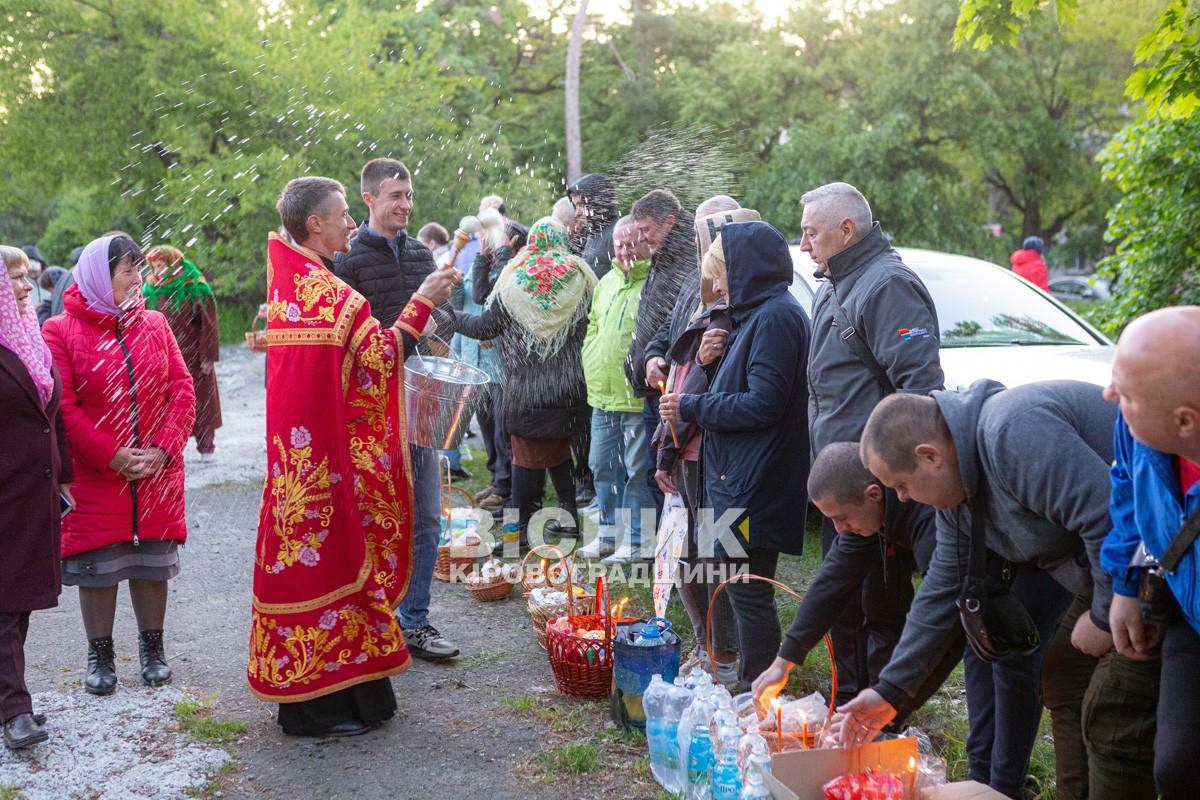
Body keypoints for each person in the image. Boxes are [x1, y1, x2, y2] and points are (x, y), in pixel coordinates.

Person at [843, 380, 1155, 799]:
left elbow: (1112, 519)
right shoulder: (957, 493)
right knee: (1063, 675)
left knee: (1112, 712)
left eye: (902, 485)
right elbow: (941, 587)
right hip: (1109, 565)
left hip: (1151, 558)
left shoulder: (1013, 433)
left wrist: (1103, 615)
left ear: (930, 455)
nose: (902, 498)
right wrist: (890, 691)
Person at [251, 176, 457, 737]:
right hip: (327, 467)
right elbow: (383, 357)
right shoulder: (332, 294)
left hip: (296, 467)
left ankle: (329, 696)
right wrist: (424, 302)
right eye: (342, 214)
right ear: (314, 224)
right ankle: (319, 710)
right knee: (336, 565)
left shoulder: (293, 286)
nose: (350, 223)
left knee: (311, 570)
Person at [801, 181, 944, 706]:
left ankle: (884, 715)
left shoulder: (887, 285)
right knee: (844, 602)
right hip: (842, 478)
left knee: (879, 604)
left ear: (847, 228)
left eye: (810, 233)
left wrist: (891, 478)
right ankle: (849, 701)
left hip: (878, 485)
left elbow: (920, 388)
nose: (803, 246)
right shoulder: (831, 286)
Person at [42, 235, 196, 697]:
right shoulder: (60, 331)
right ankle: (100, 655)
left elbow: (182, 390)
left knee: (151, 561)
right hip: (96, 474)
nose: (137, 280)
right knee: (98, 564)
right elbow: (64, 409)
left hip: (154, 471)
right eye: (126, 271)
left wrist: (163, 449)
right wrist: (111, 455)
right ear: (97, 278)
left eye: (137, 270)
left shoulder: (154, 323)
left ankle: (154, 651)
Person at [659, 221, 810, 692]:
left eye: (721, 274)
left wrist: (691, 405)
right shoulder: (756, 315)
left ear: (747, 270)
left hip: (756, 481)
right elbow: (742, 383)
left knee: (749, 593)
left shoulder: (777, 318)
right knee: (739, 586)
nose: (718, 287)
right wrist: (707, 365)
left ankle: (756, 690)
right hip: (738, 477)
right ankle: (750, 684)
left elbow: (764, 403)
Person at [334, 158, 460, 662]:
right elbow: (352, 344)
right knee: (375, 520)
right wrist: (413, 320)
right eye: (395, 197)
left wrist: (440, 331)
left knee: (428, 518)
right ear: (368, 198)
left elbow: (439, 320)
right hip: (371, 413)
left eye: (409, 196)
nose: (405, 206)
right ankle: (374, 622)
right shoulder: (347, 263)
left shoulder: (419, 257)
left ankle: (416, 622)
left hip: (419, 402)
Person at [752, 443, 956, 722]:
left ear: (872, 494)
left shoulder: (928, 516)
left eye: (842, 518)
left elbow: (943, 615)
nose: (838, 530)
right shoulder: (876, 510)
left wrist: (892, 697)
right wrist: (784, 660)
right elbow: (831, 582)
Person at [649, 196, 758, 681]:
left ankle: (728, 655)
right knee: (689, 551)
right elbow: (673, 345)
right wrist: (654, 356)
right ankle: (707, 643)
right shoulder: (697, 287)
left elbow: (701, 381)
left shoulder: (741, 302)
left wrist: (668, 447)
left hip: (711, 447)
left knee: (720, 555)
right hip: (685, 439)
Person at [1100, 307, 1200, 799]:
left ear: (1185, 420)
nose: (1109, 396)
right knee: (1177, 767)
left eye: (1126, 392)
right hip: (1189, 614)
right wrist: (1124, 583)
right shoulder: (1136, 423)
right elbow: (1125, 488)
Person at [454, 217, 596, 555]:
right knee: (558, 451)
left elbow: (486, 326)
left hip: (528, 388)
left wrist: (448, 313)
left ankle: (518, 536)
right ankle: (569, 520)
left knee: (525, 460)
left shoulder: (518, 278)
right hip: (570, 384)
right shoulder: (581, 275)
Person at [0, 245, 72, 750]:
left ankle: (9, 701)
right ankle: (15, 710)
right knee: (4, 605)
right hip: (3, 491)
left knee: (19, 601)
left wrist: (63, 476)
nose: (29, 287)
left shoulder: (28, 337)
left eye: (28, 277)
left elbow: (53, 411)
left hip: (33, 490)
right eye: (17, 279)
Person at [577, 216, 653, 566]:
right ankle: (608, 535)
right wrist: (590, 354)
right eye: (619, 244)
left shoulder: (654, 282)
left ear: (646, 243)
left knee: (637, 470)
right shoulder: (606, 281)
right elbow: (594, 325)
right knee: (601, 465)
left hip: (635, 397)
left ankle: (638, 540)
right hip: (602, 393)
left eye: (631, 243)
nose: (624, 251)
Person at [628, 189, 698, 521]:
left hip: (675, 390)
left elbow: (685, 326)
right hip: (655, 382)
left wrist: (661, 357)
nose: (639, 238)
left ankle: (674, 556)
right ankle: (666, 555)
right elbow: (664, 324)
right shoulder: (664, 254)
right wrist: (649, 355)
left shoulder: (688, 258)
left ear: (669, 222)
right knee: (656, 473)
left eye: (645, 230)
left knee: (668, 478)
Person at [460, 215, 527, 512]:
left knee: (504, 429)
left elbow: (495, 292)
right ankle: (499, 479)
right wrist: (482, 256)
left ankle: (508, 487)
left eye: (492, 237)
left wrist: (501, 253)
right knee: (490, 425)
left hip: (507, 362)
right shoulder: (495, 260)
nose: (486, 241)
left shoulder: (517, 266)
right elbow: (478, 294)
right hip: (486, 360)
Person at [142, 246, 222, 463]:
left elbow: (209, 323)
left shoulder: (194, 285)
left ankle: (206, 445)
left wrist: (208, 355)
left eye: (162, 266)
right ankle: (172, 445)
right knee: (168, 401)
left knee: (200, 399)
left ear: (174, 264)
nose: (157, 271)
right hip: (163, 355)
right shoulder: (150, 289)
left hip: (193, 356)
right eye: (155, 267)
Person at [567, 173, 618, 281]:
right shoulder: (591, 233)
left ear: (596, 202)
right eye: (576, 206)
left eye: (581, 205)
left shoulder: (617, 234)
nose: (577, 213)